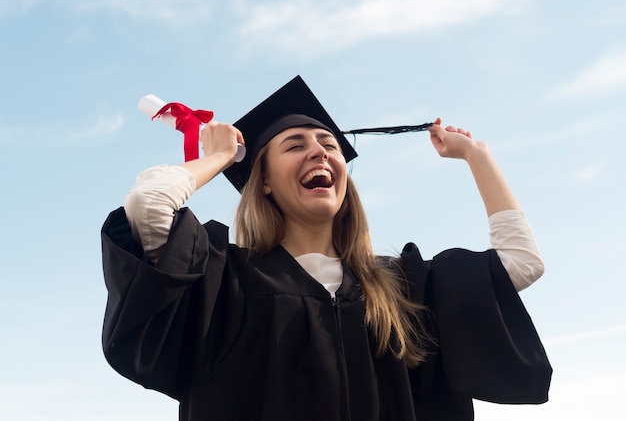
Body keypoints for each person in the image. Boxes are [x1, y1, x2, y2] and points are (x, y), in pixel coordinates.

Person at [101, 76, 552, 421]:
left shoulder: (402, 285)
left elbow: (521, 263)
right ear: (265, 182)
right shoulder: (224, 280)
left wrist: (479, 156)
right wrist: (219, 158)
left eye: (328, 145)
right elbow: (149, 204)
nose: (318, 153)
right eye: (294, 145)